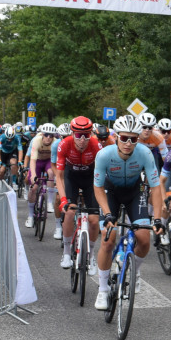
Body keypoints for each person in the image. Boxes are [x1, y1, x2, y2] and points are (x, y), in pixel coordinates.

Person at [92, 117, 166, 310]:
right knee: (108, 239)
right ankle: (102, 290)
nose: (128, 143)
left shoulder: (145, 154)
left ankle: (135, 270)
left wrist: (157, 218)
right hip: (110, 192)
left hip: (135, 192)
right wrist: (108, 214)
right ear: (116, 136)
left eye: (133, 139)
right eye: (124, 138)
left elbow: (156, 187)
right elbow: (98, 187)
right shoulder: (104, 155)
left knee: (144, 238)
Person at [55, 116, 102, 271]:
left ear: (91, 135)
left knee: (94, 220)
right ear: (72, 134)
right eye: (78, 135)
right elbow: (60, 176)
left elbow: (103, 173)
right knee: (69, 212)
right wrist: (62, 199)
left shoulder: (96, 145)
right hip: (71, 178)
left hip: (90, 179)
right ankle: (67, 252)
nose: (82, 140)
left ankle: (92, 254)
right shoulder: (64, 144)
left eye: (86, 135)